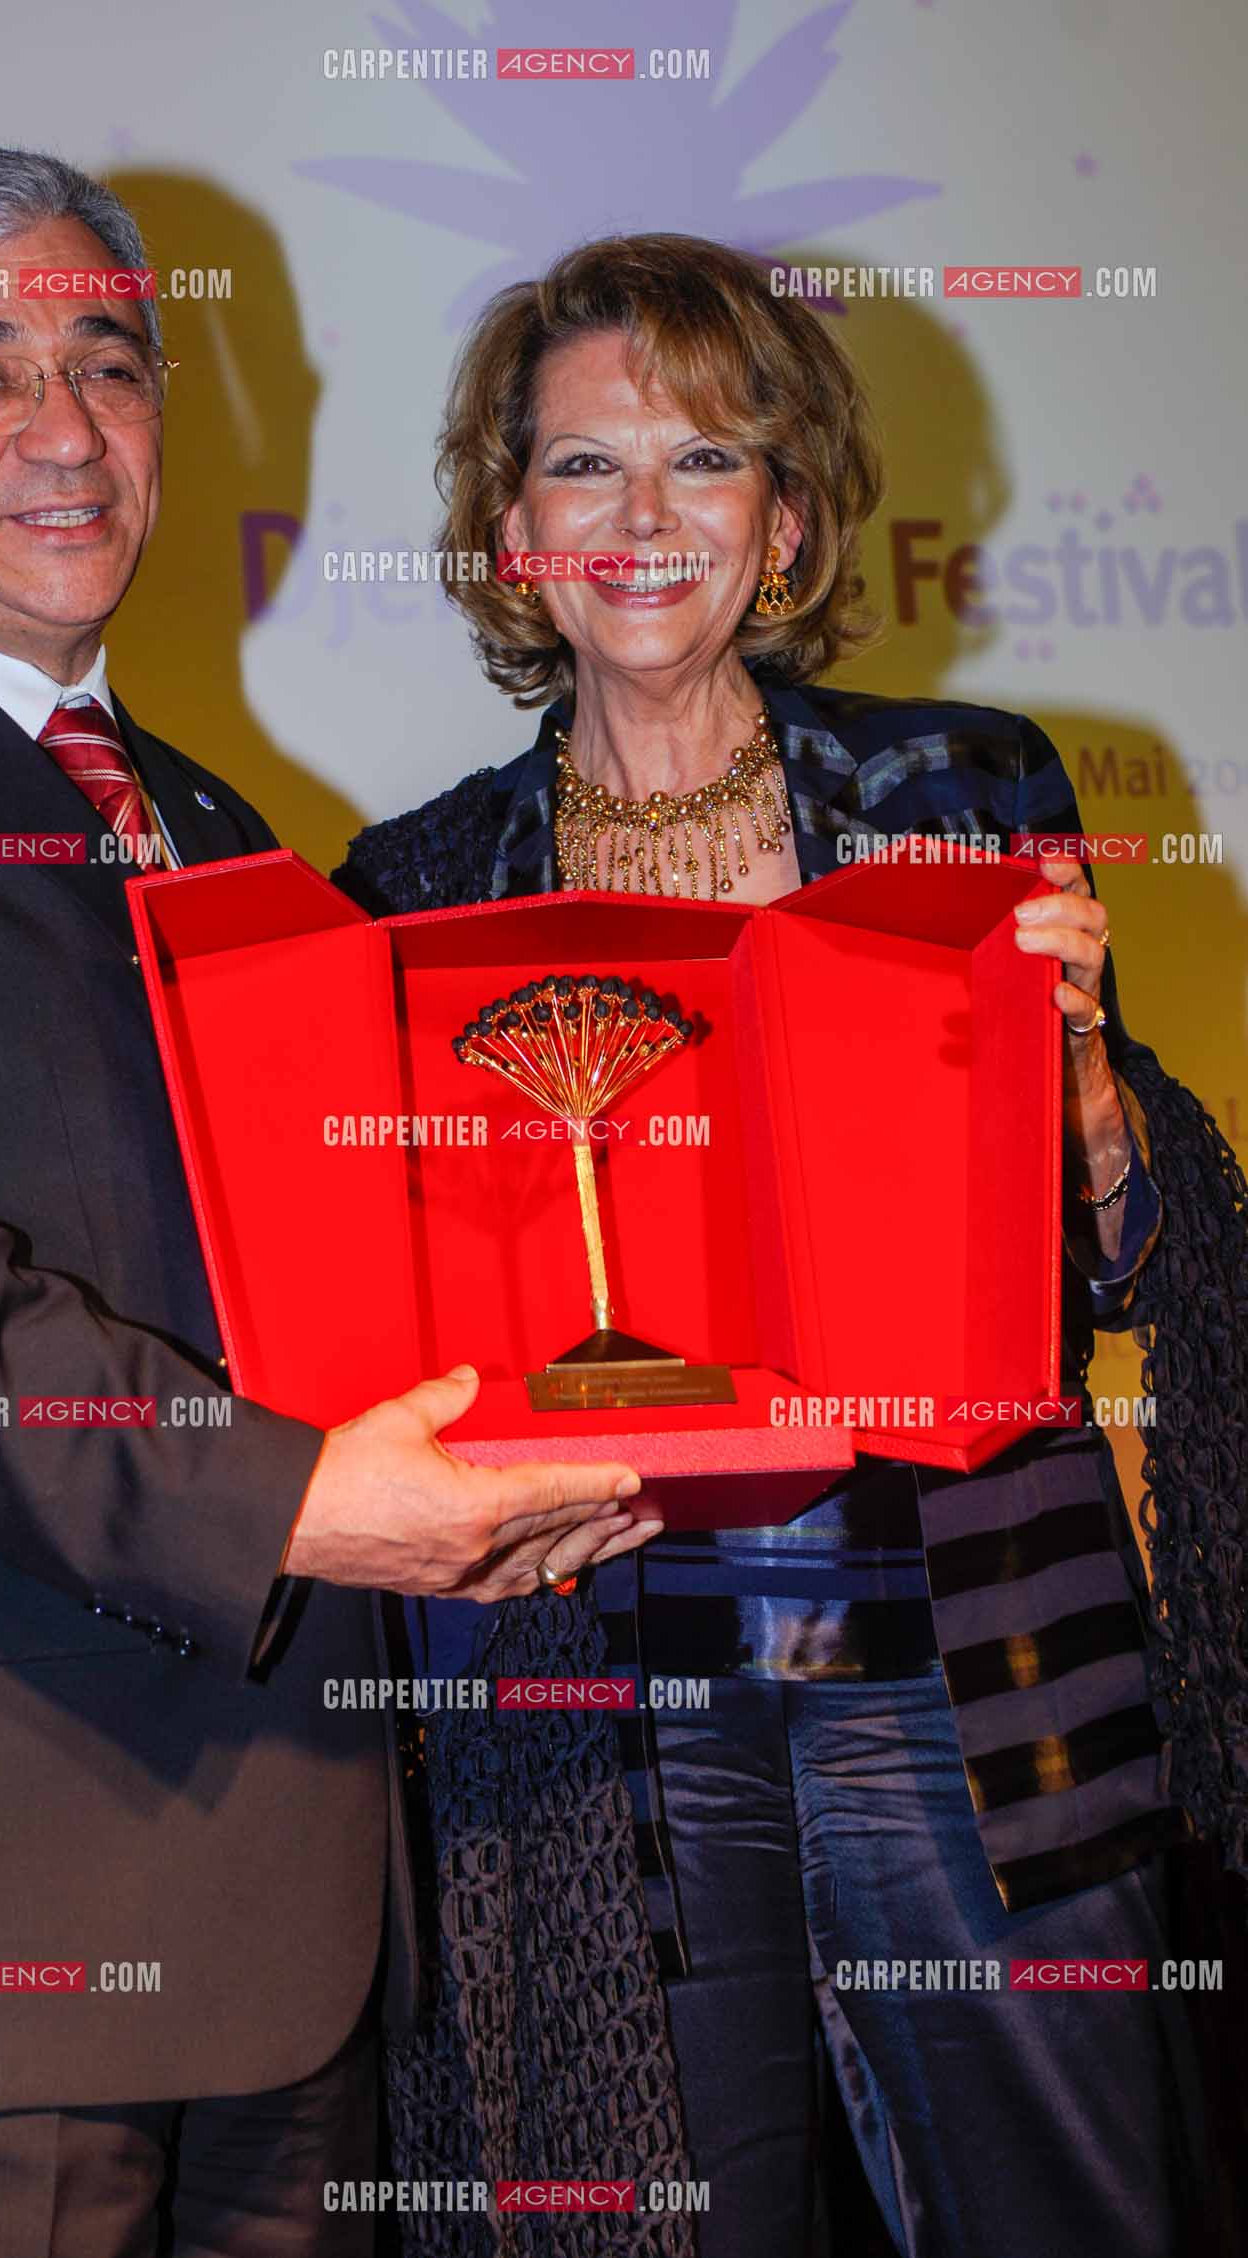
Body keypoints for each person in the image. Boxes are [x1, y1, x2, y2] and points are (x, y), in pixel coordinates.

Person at [0, 151, 656, 2258]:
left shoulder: (225, 827)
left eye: (112, 363)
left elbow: (321, 1282)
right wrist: (309, 1505)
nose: (68, 430)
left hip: (290, 1912)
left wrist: (481, 1476)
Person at [335, 233, 1244, 2257]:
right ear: (504, 536)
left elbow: (1121, 1259)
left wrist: (1088, 1094)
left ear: (795, 514)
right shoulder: (410, 891)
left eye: (706, 461)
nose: (643, 520)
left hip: (968, 1663)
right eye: (583, 469)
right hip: (604, 1681)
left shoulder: (956, 788)